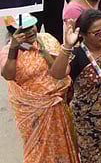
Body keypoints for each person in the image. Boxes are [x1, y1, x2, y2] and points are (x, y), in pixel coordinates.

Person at [50, 10, 101, 163]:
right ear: (83, 34)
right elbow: (57, 74)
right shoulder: (77, 55)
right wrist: (67, 46)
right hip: (90, 126)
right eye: (96, 33)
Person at [0, 13, 79, 163]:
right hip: (32, 112)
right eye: (24, 30)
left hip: (57, 105)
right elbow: (8, 75)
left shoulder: (47, 39)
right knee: (37, 150)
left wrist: (43, 51)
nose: (30, 32)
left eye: (32, 27)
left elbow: (60, 71)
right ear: (13, 33)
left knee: (62, 144)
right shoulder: (7, 51)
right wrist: (13, 50)